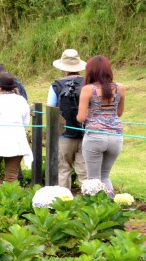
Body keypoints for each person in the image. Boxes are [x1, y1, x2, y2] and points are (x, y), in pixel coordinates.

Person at [0, 72, 32, 200]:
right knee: (11, 175)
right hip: (16, 140)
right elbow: (26, 122)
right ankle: (10, 205)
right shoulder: (21, 100)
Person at [77, 55, 125, 196]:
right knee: (105, 176)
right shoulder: (120, 88)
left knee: (93, 178)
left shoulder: (88, 89)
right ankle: (109, 207)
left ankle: (94, 212)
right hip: (116, 136)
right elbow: (119, 113)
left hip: (94, 136)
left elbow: (81, 118)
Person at [48, 49, 88, 189]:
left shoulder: (56, 86)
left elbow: (51, 109)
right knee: (84, 173)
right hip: (85, 133)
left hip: (64, 134)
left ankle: (64, 204)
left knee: (63, 170)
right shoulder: (87, 84)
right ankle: (88, 203)